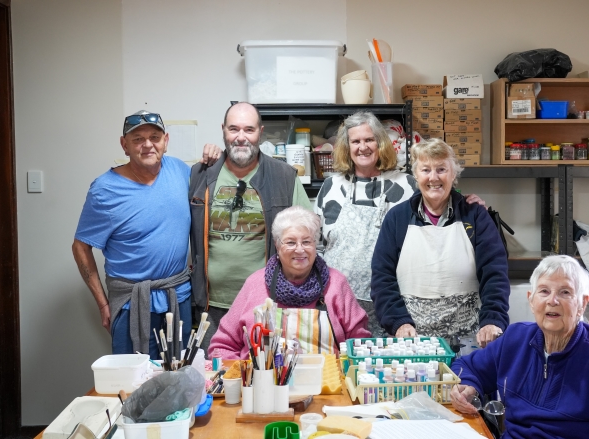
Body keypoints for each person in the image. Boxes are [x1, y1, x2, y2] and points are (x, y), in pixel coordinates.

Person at [315, 112, 486, 337]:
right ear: (346, 148)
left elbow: (439, 200)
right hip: (339, 303)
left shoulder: (407, 184)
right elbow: (317, 246)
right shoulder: (331, 187)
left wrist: (469, 204)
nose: (362, 147)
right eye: (355, 141)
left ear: (381, 143)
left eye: (369, 140)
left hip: (391, 305)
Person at [72, 110, 221, 359]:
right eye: (138, 139)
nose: (148, 144)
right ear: (124, 145)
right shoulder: (105, 189)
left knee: (180, 380)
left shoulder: (181, 172)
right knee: (135, 385)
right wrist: (103, 303)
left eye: (154, 137)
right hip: (132, 303)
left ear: (166, 141)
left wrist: (215, 156)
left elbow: (213, 190)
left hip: (178, 297)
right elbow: (80, 247)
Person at [450, 255, 589, 438]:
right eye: (544, 291)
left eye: (565, 292)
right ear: (531, 299)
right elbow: (467, 366)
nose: (552, 301)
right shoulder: (514, 339)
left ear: (583, 303)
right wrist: (469, 386)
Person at [189, 102, 313, 350]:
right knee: (217, 379)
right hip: (211, 306)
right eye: (234, 129)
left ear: (261, 132)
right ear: (223, 130)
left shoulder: (284, 177)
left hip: (267, 304)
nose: (241, 137)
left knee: (266, 376)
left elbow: (306, 236)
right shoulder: (200, 174)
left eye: (249, 129)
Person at [370, 138, 509, 346]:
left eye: (441, 169)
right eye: (426, 170)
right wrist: (398, 322)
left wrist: (492, 320)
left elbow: (495, 274)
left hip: (469, 342)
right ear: (416, 176)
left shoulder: (476, 216)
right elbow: (382, 278)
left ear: (454, 174)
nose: (433, 178)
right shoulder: (397, 218)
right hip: (413, 343)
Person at [208, 206, 370, 358]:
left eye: (307, 241)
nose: (300, 250)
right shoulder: (255, 283)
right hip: (263, 385)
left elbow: (359, 345)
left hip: (326, 385)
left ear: (315, 245)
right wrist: (242, 380)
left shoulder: (336, 283)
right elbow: (222, 346)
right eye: (291, 242)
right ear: (277, 246)